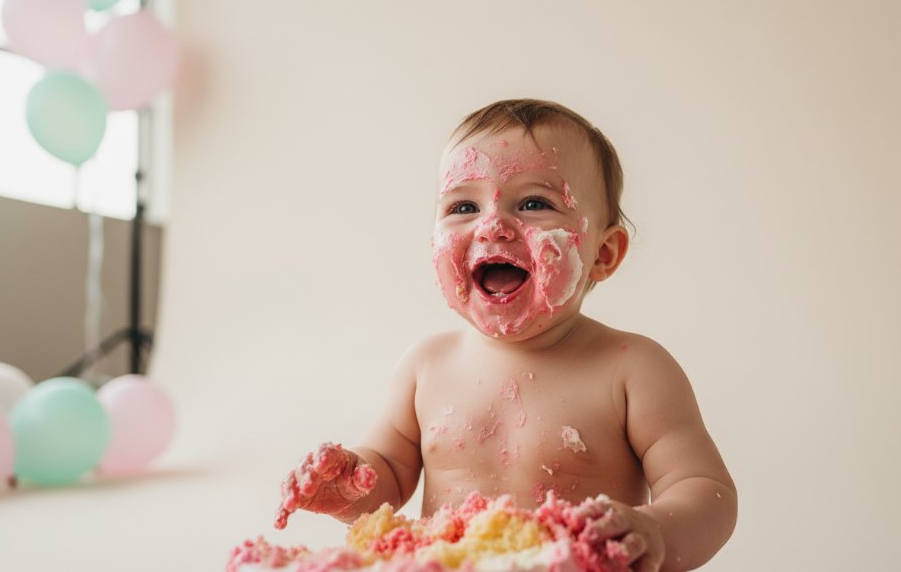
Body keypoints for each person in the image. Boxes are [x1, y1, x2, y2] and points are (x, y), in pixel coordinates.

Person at [274, 99, 737, 572]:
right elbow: (386, 476)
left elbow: (705, 490)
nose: (492, 224)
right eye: (463, 206)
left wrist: (654, 530)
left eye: (534, 203)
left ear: (604, 252)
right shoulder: (425, 368)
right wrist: (348, 485)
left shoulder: (634, 369)